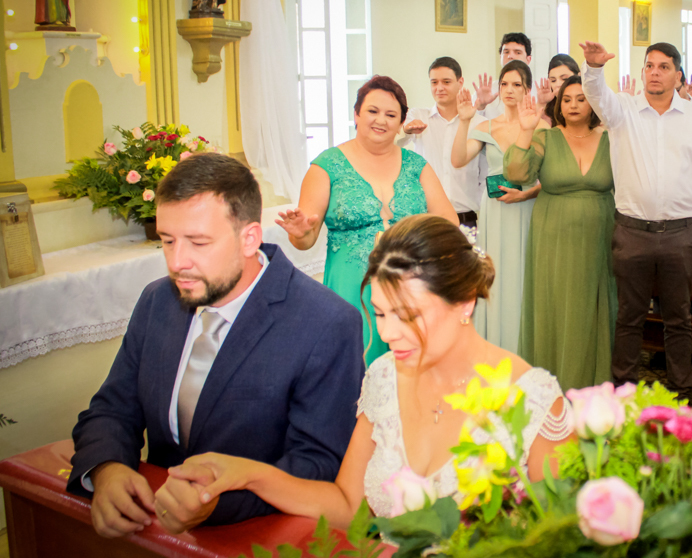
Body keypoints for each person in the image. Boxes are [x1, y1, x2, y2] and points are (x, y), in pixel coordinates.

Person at [169, 215, 573, 523]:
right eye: (379, 313)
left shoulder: (532, 401)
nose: (388, 333)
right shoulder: (384, 375)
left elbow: (555, 552)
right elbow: (346, 505)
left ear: (465, 302)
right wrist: (246, 474)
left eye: (407, 315)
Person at [67, 153, 364, 537]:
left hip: (260, 543)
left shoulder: (326, 322)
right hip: (154, 532)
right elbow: (112, 407)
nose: (178, 262)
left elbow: (319, 462)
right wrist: (106, 469)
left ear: (249, 238)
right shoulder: (157, 300)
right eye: (168, 241)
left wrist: (214, 501)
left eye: (198, 242)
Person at [579, 40, 692, 404]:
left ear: (678, 74)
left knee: (678, 317)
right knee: (629, 317)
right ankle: (623, 390)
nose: (655, 72)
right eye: (649, 66)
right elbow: (595, 94)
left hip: (680, 233)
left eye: (663, 67)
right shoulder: (622, 111)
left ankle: (682, 387)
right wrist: (594, 67)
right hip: (632, 232)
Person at [277, 76, 458, 366]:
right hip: (352, 291)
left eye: (391, 115)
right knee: (354, 376)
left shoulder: (416, 166)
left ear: (401, 123)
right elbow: (305, 240)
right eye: (373, 111)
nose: (381, 121)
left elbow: (449, 222)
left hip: (411, 287)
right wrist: (300, 232)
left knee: (410, 376)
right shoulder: (327, 166)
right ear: (357, 114)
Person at [504, 76, 615, 390]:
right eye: (567, 99)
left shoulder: (609, 138)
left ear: (592, 103)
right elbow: (517, 174)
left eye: (581, 98)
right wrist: (526, 129)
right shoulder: (546, 138)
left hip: (600, 234)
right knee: (553, 304)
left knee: (592, 308)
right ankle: (548, 386)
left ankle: (592, 386)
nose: (574, 105)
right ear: (558, 104)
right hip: (552, 235)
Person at [451, 60, 540, 352]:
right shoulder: (485, 126)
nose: (509, 90)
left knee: (524, 278)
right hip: (494, 214)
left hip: (527, 211)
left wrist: (525, 195)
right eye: (505, 84)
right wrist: (464, 120)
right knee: (496, 277)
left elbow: (549, 178)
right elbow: (458, 159)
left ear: (527, 89)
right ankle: (494, 349)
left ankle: (523, 349)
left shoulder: (541, 125)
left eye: (517, 85)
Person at [397, 57, 484, 228]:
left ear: (460, 82)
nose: (439, 88)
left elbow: (485, 172)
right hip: (426, 218)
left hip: (465, 219)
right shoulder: (418, 116)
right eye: (434, 82)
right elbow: (393, 144)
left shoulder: (478, 123)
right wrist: (406, 130)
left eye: (446, 82)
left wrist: (477, 203)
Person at [474, 32, 532, 118]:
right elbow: (471, 123)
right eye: (506, 52)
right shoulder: (486, 90)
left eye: (517, 52)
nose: (510, 56)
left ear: (528, 59)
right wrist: (481, 106)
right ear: (500, 56)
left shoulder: (538, 91)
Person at [537, 53, 580, 126]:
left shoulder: (589, 103)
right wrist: (541, 103)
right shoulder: (547, 109)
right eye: (553, 80)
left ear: (578, 76)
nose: (558, 84)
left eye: (564, 79)